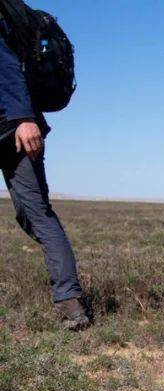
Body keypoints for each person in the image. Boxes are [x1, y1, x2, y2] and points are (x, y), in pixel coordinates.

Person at [0, 22, 88, 330]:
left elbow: (7, 67)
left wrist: (24, 118)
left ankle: (69, 302)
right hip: (14, 126)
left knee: (37, 214)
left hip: (14, 130)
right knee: (32, 215)